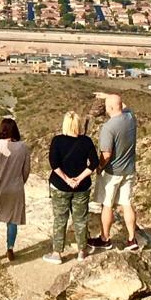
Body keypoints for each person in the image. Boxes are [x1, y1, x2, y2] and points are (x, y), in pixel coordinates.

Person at [44, 111, 100, 264]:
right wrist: (80, 178)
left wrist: (67, 179)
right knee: (80, 219)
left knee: (60, 219)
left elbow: (54, 164)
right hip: (81, 187)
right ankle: (82, 251)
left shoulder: (57, 141)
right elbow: (94, 163)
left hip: (60, 186)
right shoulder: (86, 141)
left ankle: (57, 253)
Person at [88, 93, 139, 251]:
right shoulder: (130, 118)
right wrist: (109, 96)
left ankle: (105, 239)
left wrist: (99, 167)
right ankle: (132, 239)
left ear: (109, 108)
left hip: (112, 172)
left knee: (107, 205)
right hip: (129, 170)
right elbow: (124, 106)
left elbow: (106, 154)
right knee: (127, 203)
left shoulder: (109, 127)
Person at [0, 117, 30, 264]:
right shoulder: (23, 147)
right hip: (16, 187)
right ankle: (10, 249)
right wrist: (20, 182)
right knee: (12, 220)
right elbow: (26, 170)